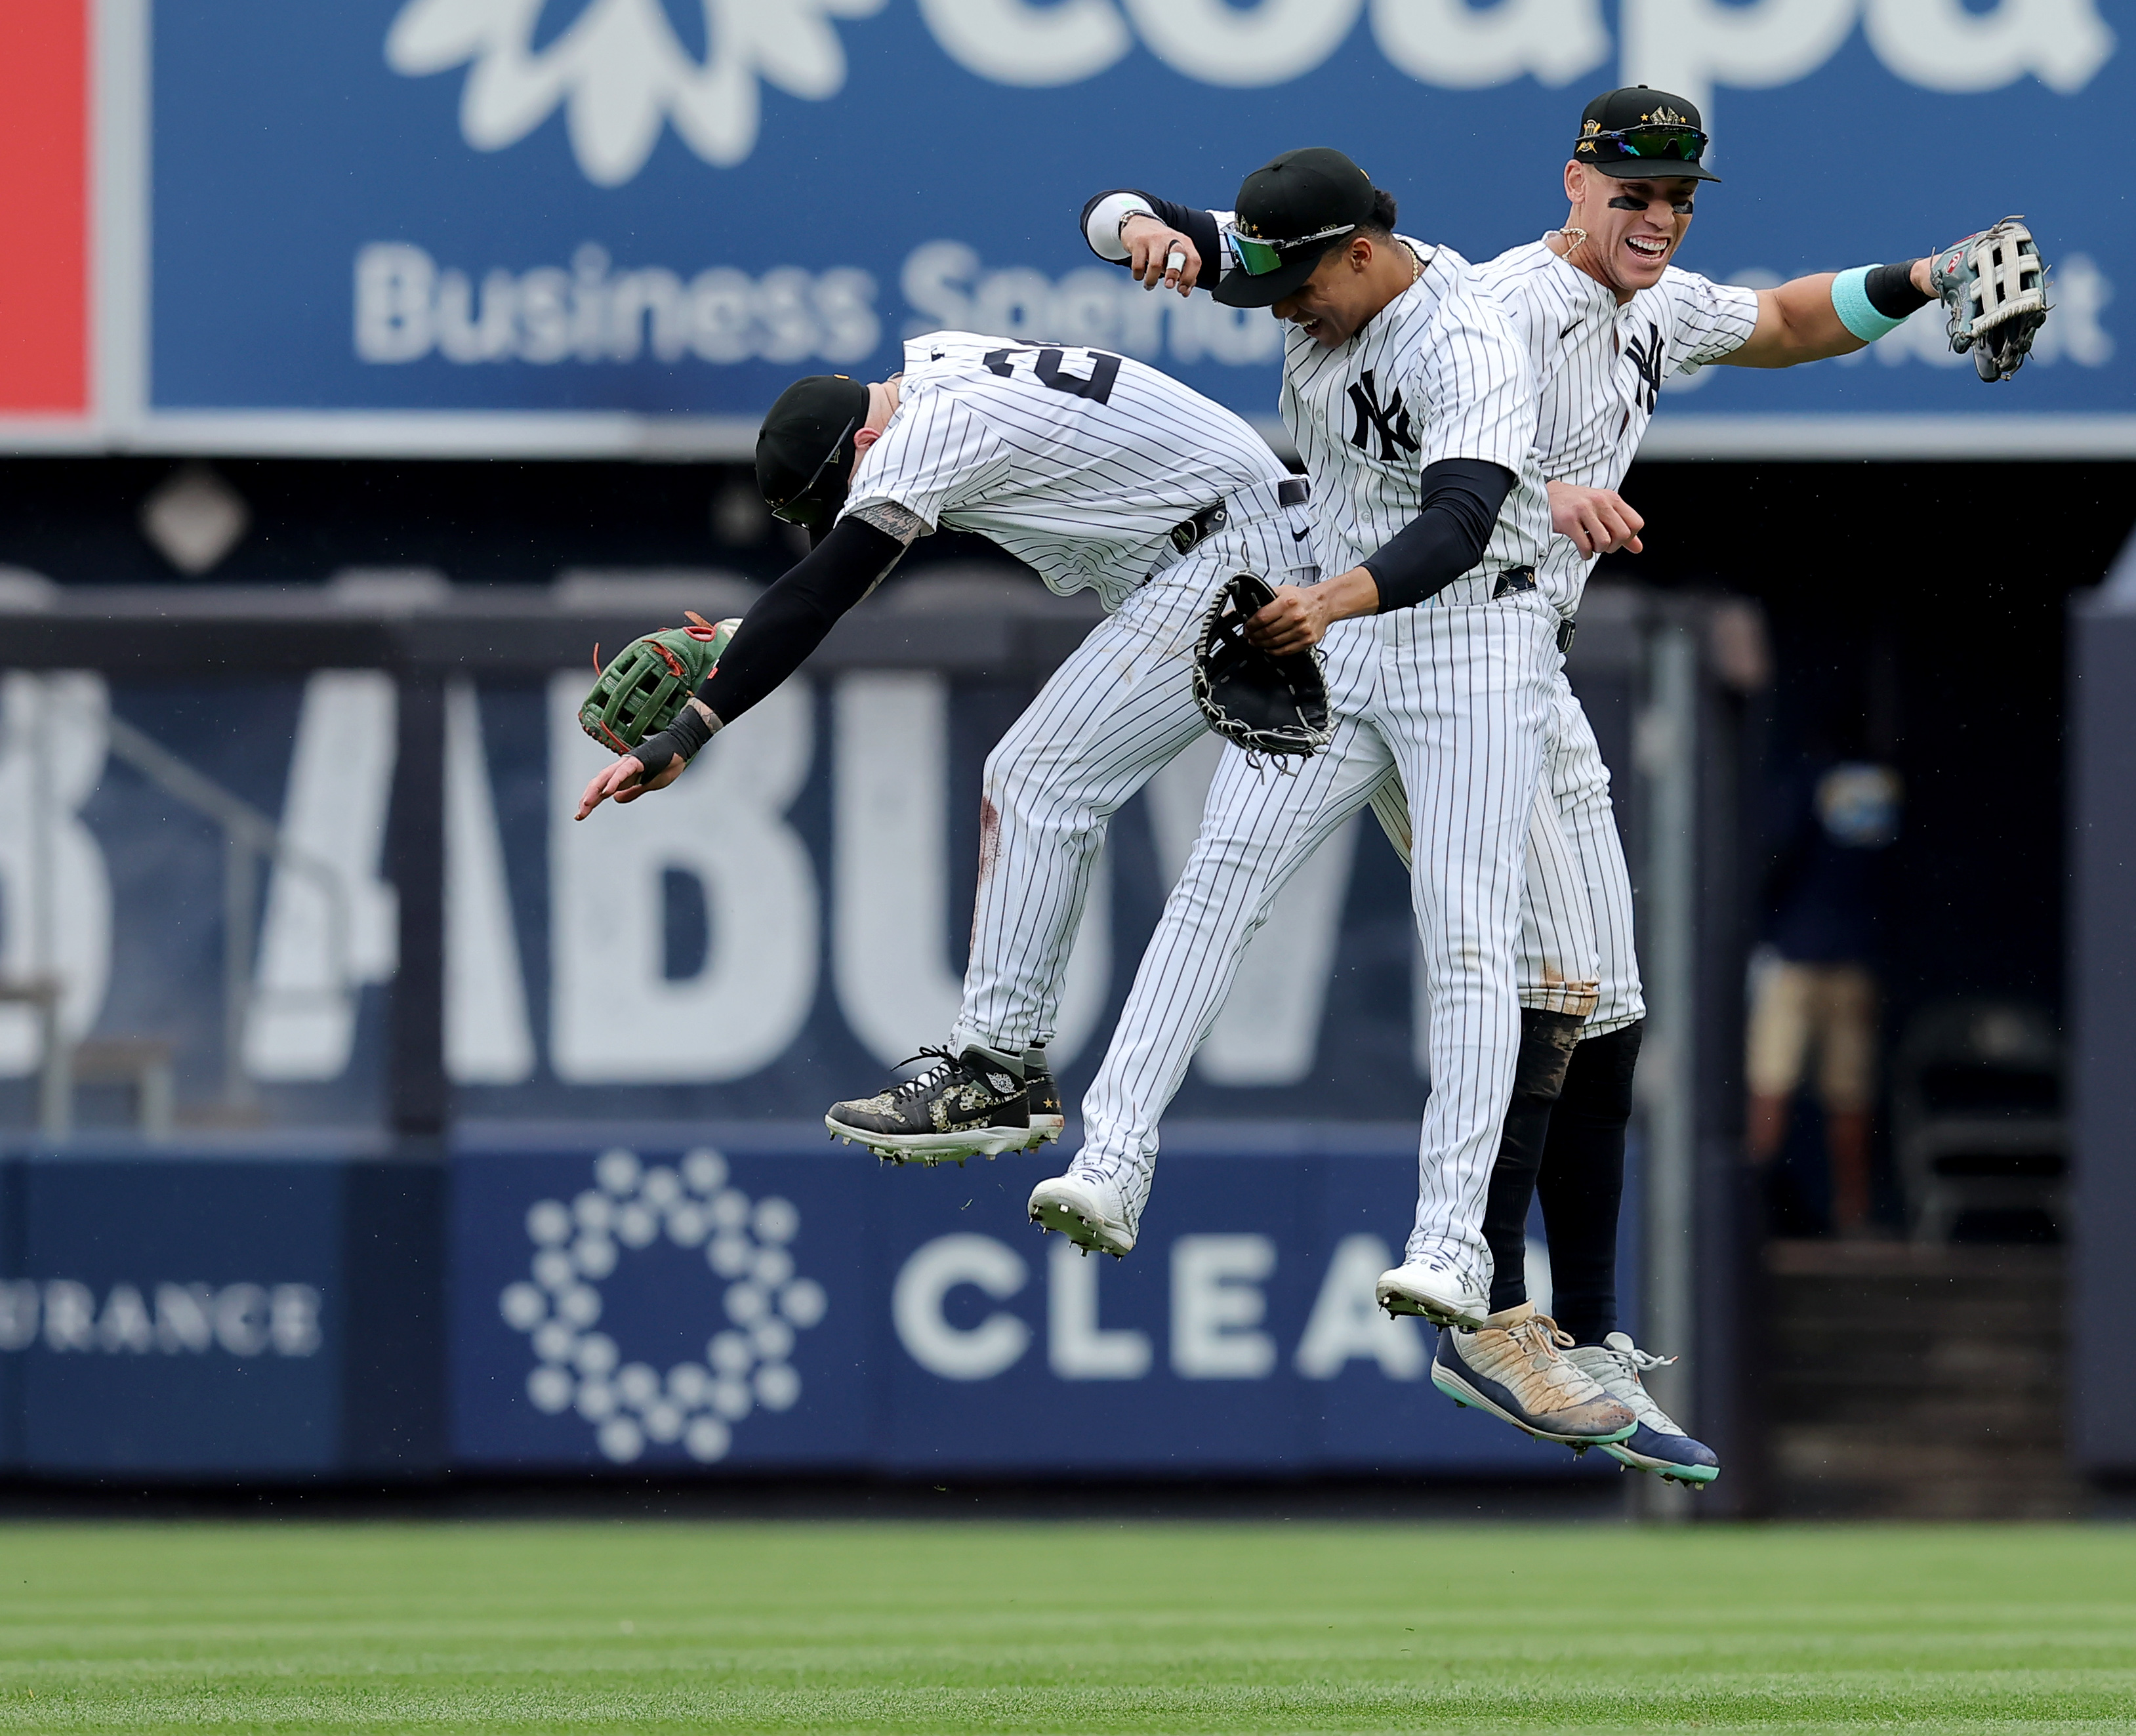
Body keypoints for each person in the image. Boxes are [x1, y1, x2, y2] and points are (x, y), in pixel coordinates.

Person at [1100, 89, 2016, 1481]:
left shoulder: (1650, 306)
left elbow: (1777, 324)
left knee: (1609, 1002)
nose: (1655, 218)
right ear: (1574, 182)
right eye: (1631, 192)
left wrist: (1927, 278)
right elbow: (1442, 435)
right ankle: (1490, 1312)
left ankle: (1580, 1330)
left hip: (1529, 657)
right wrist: (1545, 484)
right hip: (1435, 647)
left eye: (1676, 198)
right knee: (1531, 983)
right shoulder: (1503, 299)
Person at [1031, 147, 1647, 1449]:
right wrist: (1137, 226)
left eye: (1300, 281)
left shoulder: (1464, 334)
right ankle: (1111, 1161)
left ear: (1363, 250)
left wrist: (1327, 600)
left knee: (1472, 936)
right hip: (1346, 638)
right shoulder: (1300, 264)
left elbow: (1462, 519)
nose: (1283, 307)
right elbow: (1111, 208)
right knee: (1218, 881)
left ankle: (1449, 1251)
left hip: (1474, 643)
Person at [572, 337, 1314, 1162]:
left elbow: (826, 589)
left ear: (863, 446)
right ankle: (1490, 1234)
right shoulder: (939, 373)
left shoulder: (930, 426)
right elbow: (847, 563)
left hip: (1228, 558)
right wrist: (747, 637)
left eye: (847, 496)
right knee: (1442, 850)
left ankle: (994, 1076)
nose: (854, 513)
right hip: (1247, 535)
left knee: (1037, 779)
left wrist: (689, 731)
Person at [1750, 739, 1901, 1235]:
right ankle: (1849, 1214)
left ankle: (1754, 1211)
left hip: (1800, 954)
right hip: (1851, 954)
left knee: (1776, 1085)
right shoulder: (1882, 786)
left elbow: (1774, 851)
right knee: (1846, 1093)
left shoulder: (1811, 778)